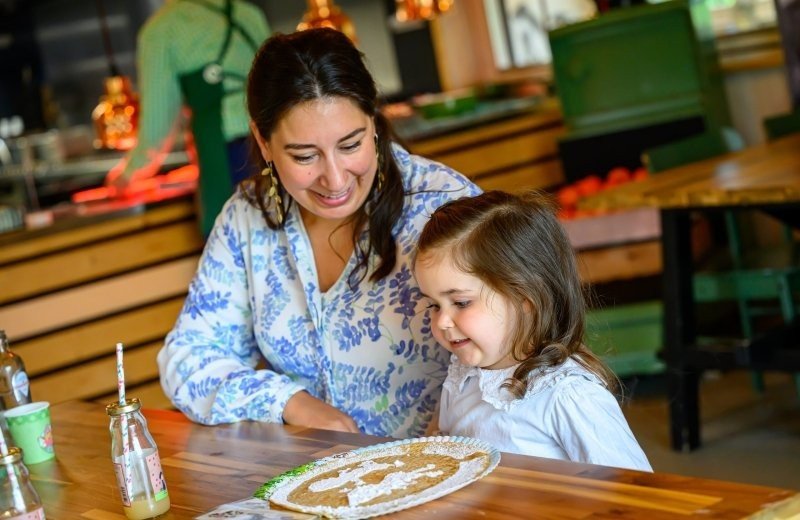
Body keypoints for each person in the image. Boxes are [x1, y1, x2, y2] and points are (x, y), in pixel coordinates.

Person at [157, 28, 481, 438]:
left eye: (351, 144)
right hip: (311, 481)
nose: (334, 177)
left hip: (444, 469)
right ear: (263, 140)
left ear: (374, 121)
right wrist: (288, 402)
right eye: (305, 156)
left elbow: (511, 344)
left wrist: (436, 445)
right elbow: (188, 357)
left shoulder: (441, 204)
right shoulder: (247, 219)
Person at [414, 190, 652, 471]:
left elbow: (633, 488)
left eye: (461, 303)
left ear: (526, 297)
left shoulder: (567, 395)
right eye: (434, 305)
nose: (442, 321)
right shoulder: (463, 375)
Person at [106, 0, 270, 237]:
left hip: (226, 155)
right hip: (273, 142)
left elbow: (158, 123)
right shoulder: (248, 13)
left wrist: (129, 173)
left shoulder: (162, 29)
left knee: (236, 249)